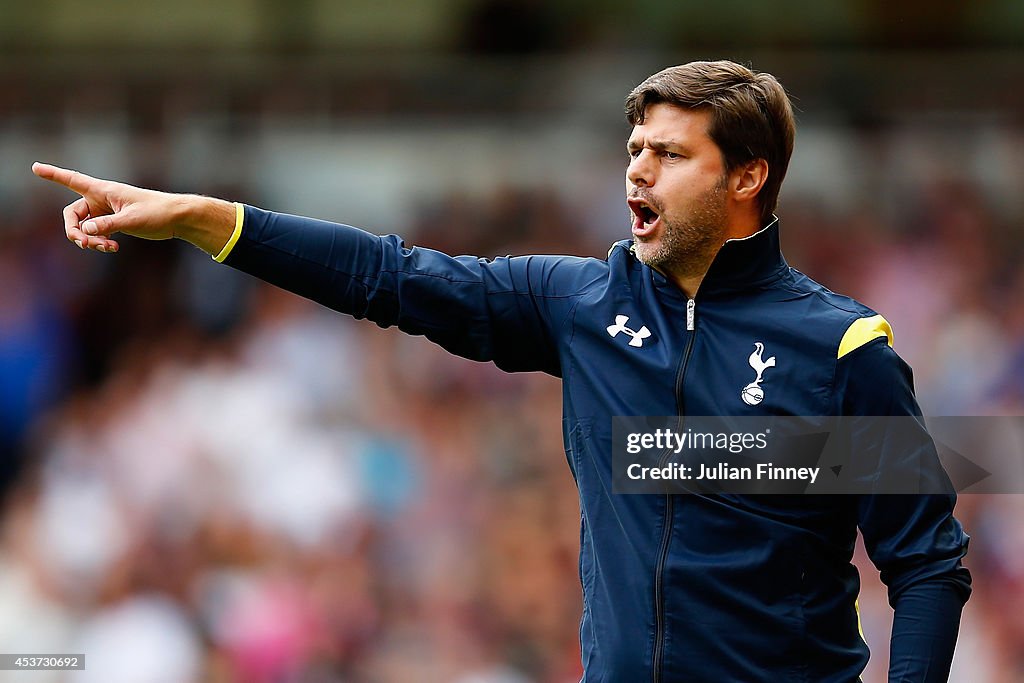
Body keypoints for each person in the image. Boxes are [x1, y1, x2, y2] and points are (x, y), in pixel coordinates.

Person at [33, 60, 971, 682]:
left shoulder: (842, 349)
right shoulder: (583, 306)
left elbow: (925, 565)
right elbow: (388, 276)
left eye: (671, 154)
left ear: (747, 178)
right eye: (634, 149)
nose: (637, 171)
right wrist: (204, 217)